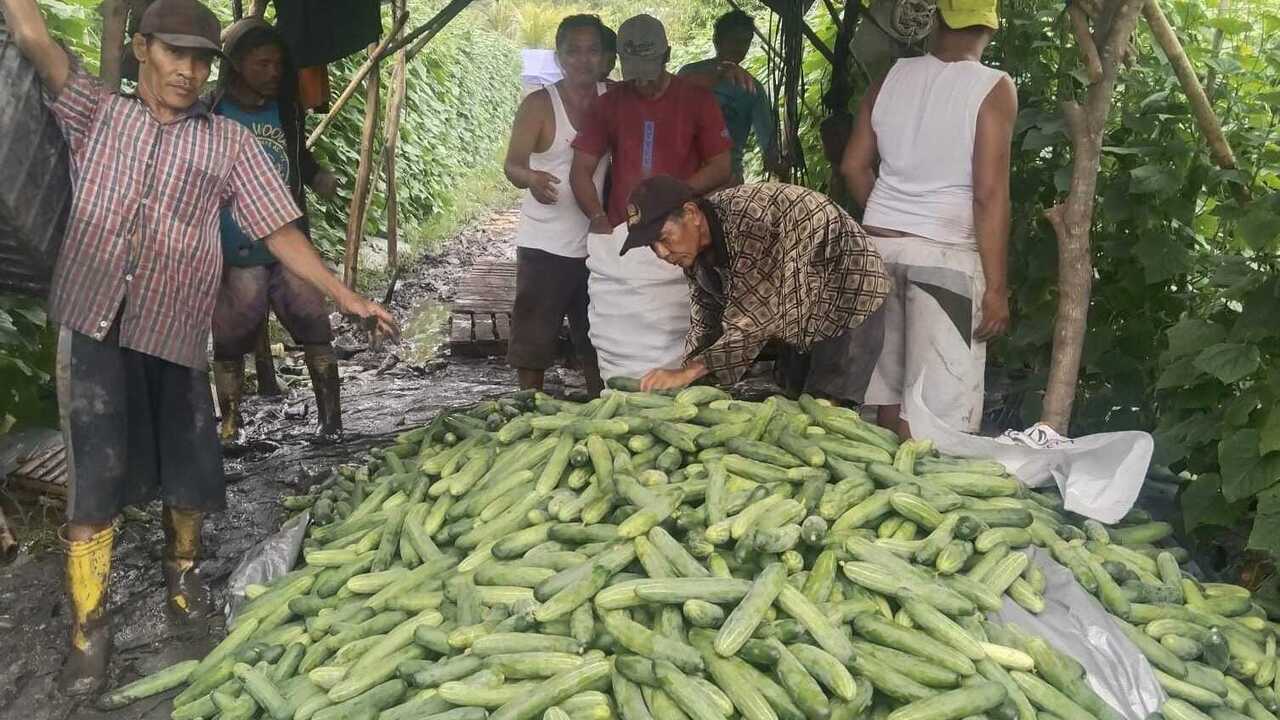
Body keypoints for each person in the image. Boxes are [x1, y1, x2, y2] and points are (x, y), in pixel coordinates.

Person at [0, 0, 396, 694]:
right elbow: (31, 34)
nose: (187, 71)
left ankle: (182, 585)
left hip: (177, 327)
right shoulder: (96, 111)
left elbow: (280, 231)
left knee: (188, 468)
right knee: (93, 478)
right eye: (174, 54)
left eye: (200, 60)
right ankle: (88, 633)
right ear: (143, 51)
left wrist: (345, 295)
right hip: (95, 324)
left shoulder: (228, 143)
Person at [840, 0, 1015, 436]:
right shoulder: (993, 87)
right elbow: (989, 194)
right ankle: (915, 493)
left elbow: (852, 167)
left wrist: (890, 217)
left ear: (937, 19)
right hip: (945, 256)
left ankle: (881, 489)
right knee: (935, 411)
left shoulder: (889, 78)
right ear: (989, 27)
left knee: (885, 391)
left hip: (877, 249)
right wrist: (996, 288)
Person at [570, 14, 733, 380]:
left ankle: (683, 389)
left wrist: (675, 198)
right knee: (620, 336)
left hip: (679, 231)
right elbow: (581, 169)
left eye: (649, 70)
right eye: (634, 72)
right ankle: (619, 393)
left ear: (668, 55)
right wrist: (597, 219)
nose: (641, 81)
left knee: (684, 330)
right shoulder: (609, 103)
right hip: (625, 235)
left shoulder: (696, 100)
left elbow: (721, 166)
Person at [621, 176, 891, 393]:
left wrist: (688, 373)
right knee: (792, 399)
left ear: (691, 213)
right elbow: (705, 319)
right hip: (796, 302)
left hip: (846, 290)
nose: (662, 253)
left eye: (664, 238)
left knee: (827, 409)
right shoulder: (695, 249)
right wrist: (689, 379)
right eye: (651, 246)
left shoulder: (750, 219)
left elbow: (752, 319)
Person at [209, 18, 346, 444]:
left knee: (314, 324)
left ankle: (331, 423)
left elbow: (296, 156)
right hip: (236, 248)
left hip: (289, 245)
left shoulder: (285, 109)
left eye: (277, 65)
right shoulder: (212, 111)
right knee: (230, 337)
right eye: (262, 64)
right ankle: (231, 429)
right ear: (237, 66)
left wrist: (318, 176)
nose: (273, 72)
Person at [503, 14, 607, 396]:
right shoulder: (539, 105)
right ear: (559, 56)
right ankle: (529, 411)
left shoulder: (613, 98)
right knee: (533, 340)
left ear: (604, 55)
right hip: (545, 244)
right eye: (574, 51)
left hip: (598, 242)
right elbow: (512, 164)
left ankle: (603, 408)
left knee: (598, 337)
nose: (583, 59)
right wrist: (530, 179)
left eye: (592, 50)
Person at [679, 10, 784, 184]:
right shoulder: (690, 74)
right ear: (717, 40)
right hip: (686, 174)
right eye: (733, 41)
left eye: (745, 42)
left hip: (728, 180)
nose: (739, 48)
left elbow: (769, 147)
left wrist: (780, 162)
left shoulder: (752, 88)